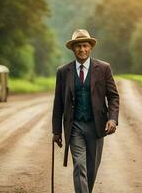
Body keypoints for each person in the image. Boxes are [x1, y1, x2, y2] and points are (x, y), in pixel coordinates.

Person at [52, 29, 119, 193]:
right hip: (74, 127)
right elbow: (58, 103)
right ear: (73, 49)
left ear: (91, 47)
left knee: (91, 169)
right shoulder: (63, 72)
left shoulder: (104, 68)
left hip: (97, 127)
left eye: (85, 46)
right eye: (78, 46)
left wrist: (112, 119)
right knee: (79, 166)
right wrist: (56, 131)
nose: (82, 50)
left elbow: (113, 96)